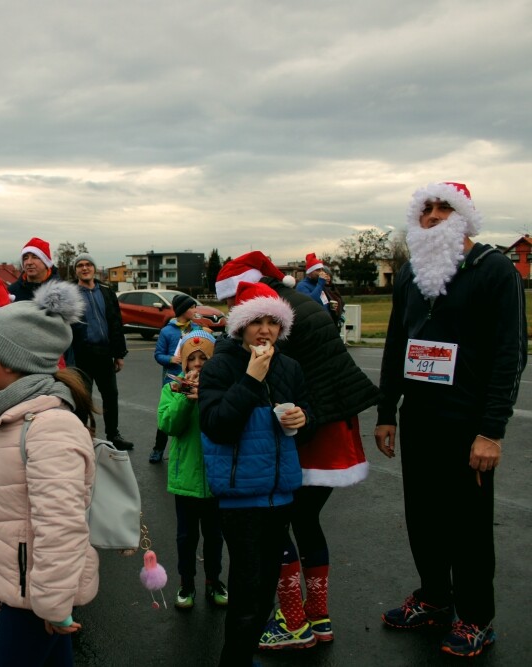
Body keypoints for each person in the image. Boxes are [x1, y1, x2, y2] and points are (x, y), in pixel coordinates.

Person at [375, 182, 527, 658]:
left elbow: (510, 355)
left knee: (468, 525)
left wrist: (491, 431)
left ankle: (477, 617)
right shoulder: (409, 275)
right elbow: (398, 345)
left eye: (445, 208)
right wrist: (386, 412)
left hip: (469, 424)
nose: (435, 216)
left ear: (464, 217)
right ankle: (435, 598)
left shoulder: (494, 270)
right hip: (419, 417)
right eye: (427, 209)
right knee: (423, 515)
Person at [215, 250, 377, 649]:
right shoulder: (294, 303)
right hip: (336, 423)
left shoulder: (273, 315)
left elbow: (281, 380)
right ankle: (317, 618)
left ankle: (292, 621)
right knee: (306, 522)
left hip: (310, 427)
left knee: (280, 521)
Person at [0, 280, 98, 666]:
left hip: (35, 595)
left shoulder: (48, 426)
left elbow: (62, 524)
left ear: (11, 361)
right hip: (24, 584)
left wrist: (54, 604)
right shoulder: (10, 413)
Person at [199, 281, 312, 666]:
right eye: (256, 322)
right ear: (240, 327)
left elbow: (306, 412)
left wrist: (303, 416)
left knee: (265, 589)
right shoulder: (220, 365)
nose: (265, 331)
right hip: (240, 496)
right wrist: (250, 379)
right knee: (247, 590)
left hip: (280, 495)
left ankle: (245, 653)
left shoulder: (291, 367)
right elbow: (216, 425)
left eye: (273, 323)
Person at [157, 330, 227, 610]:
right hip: (184, 478)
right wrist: (186, 398)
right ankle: (186, 582)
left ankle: (214, 581)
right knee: (186, 536)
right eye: (192, 359)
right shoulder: (170, 389)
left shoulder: (221, 389)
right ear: (183, 363)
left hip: (215, 477)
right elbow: (169, 426)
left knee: (214, 535)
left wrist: (208, 395)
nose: (197, 364)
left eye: (204, 358)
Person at [71, 252, 134, 451]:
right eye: (80, 265)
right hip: (82, 354)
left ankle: (113, 434)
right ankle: (83, 435)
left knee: (111, 395)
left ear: (94, 268)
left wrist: (119, 354)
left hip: (105, 353)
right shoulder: (70, 293)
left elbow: (115, 322)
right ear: (76, 270)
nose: (84, 268)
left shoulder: (106, 291)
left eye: (88, 264)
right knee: (83, 397)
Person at [151, 294, 203, 462]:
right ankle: (158, 449)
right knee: (169, 414)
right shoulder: (167, 331)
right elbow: (158, 355)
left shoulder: (197, 329)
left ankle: (190, 453)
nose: (195, 310)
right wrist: (170, 359)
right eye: (191, 307)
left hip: (195, 379)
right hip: (172, 381)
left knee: (191, 416)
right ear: (182, 310)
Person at [7, 237, 61, 302]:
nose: (29, 262)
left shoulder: (61, 292)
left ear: (46, 262)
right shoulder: (11, 292)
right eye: (25, 258)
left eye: (35, 257)